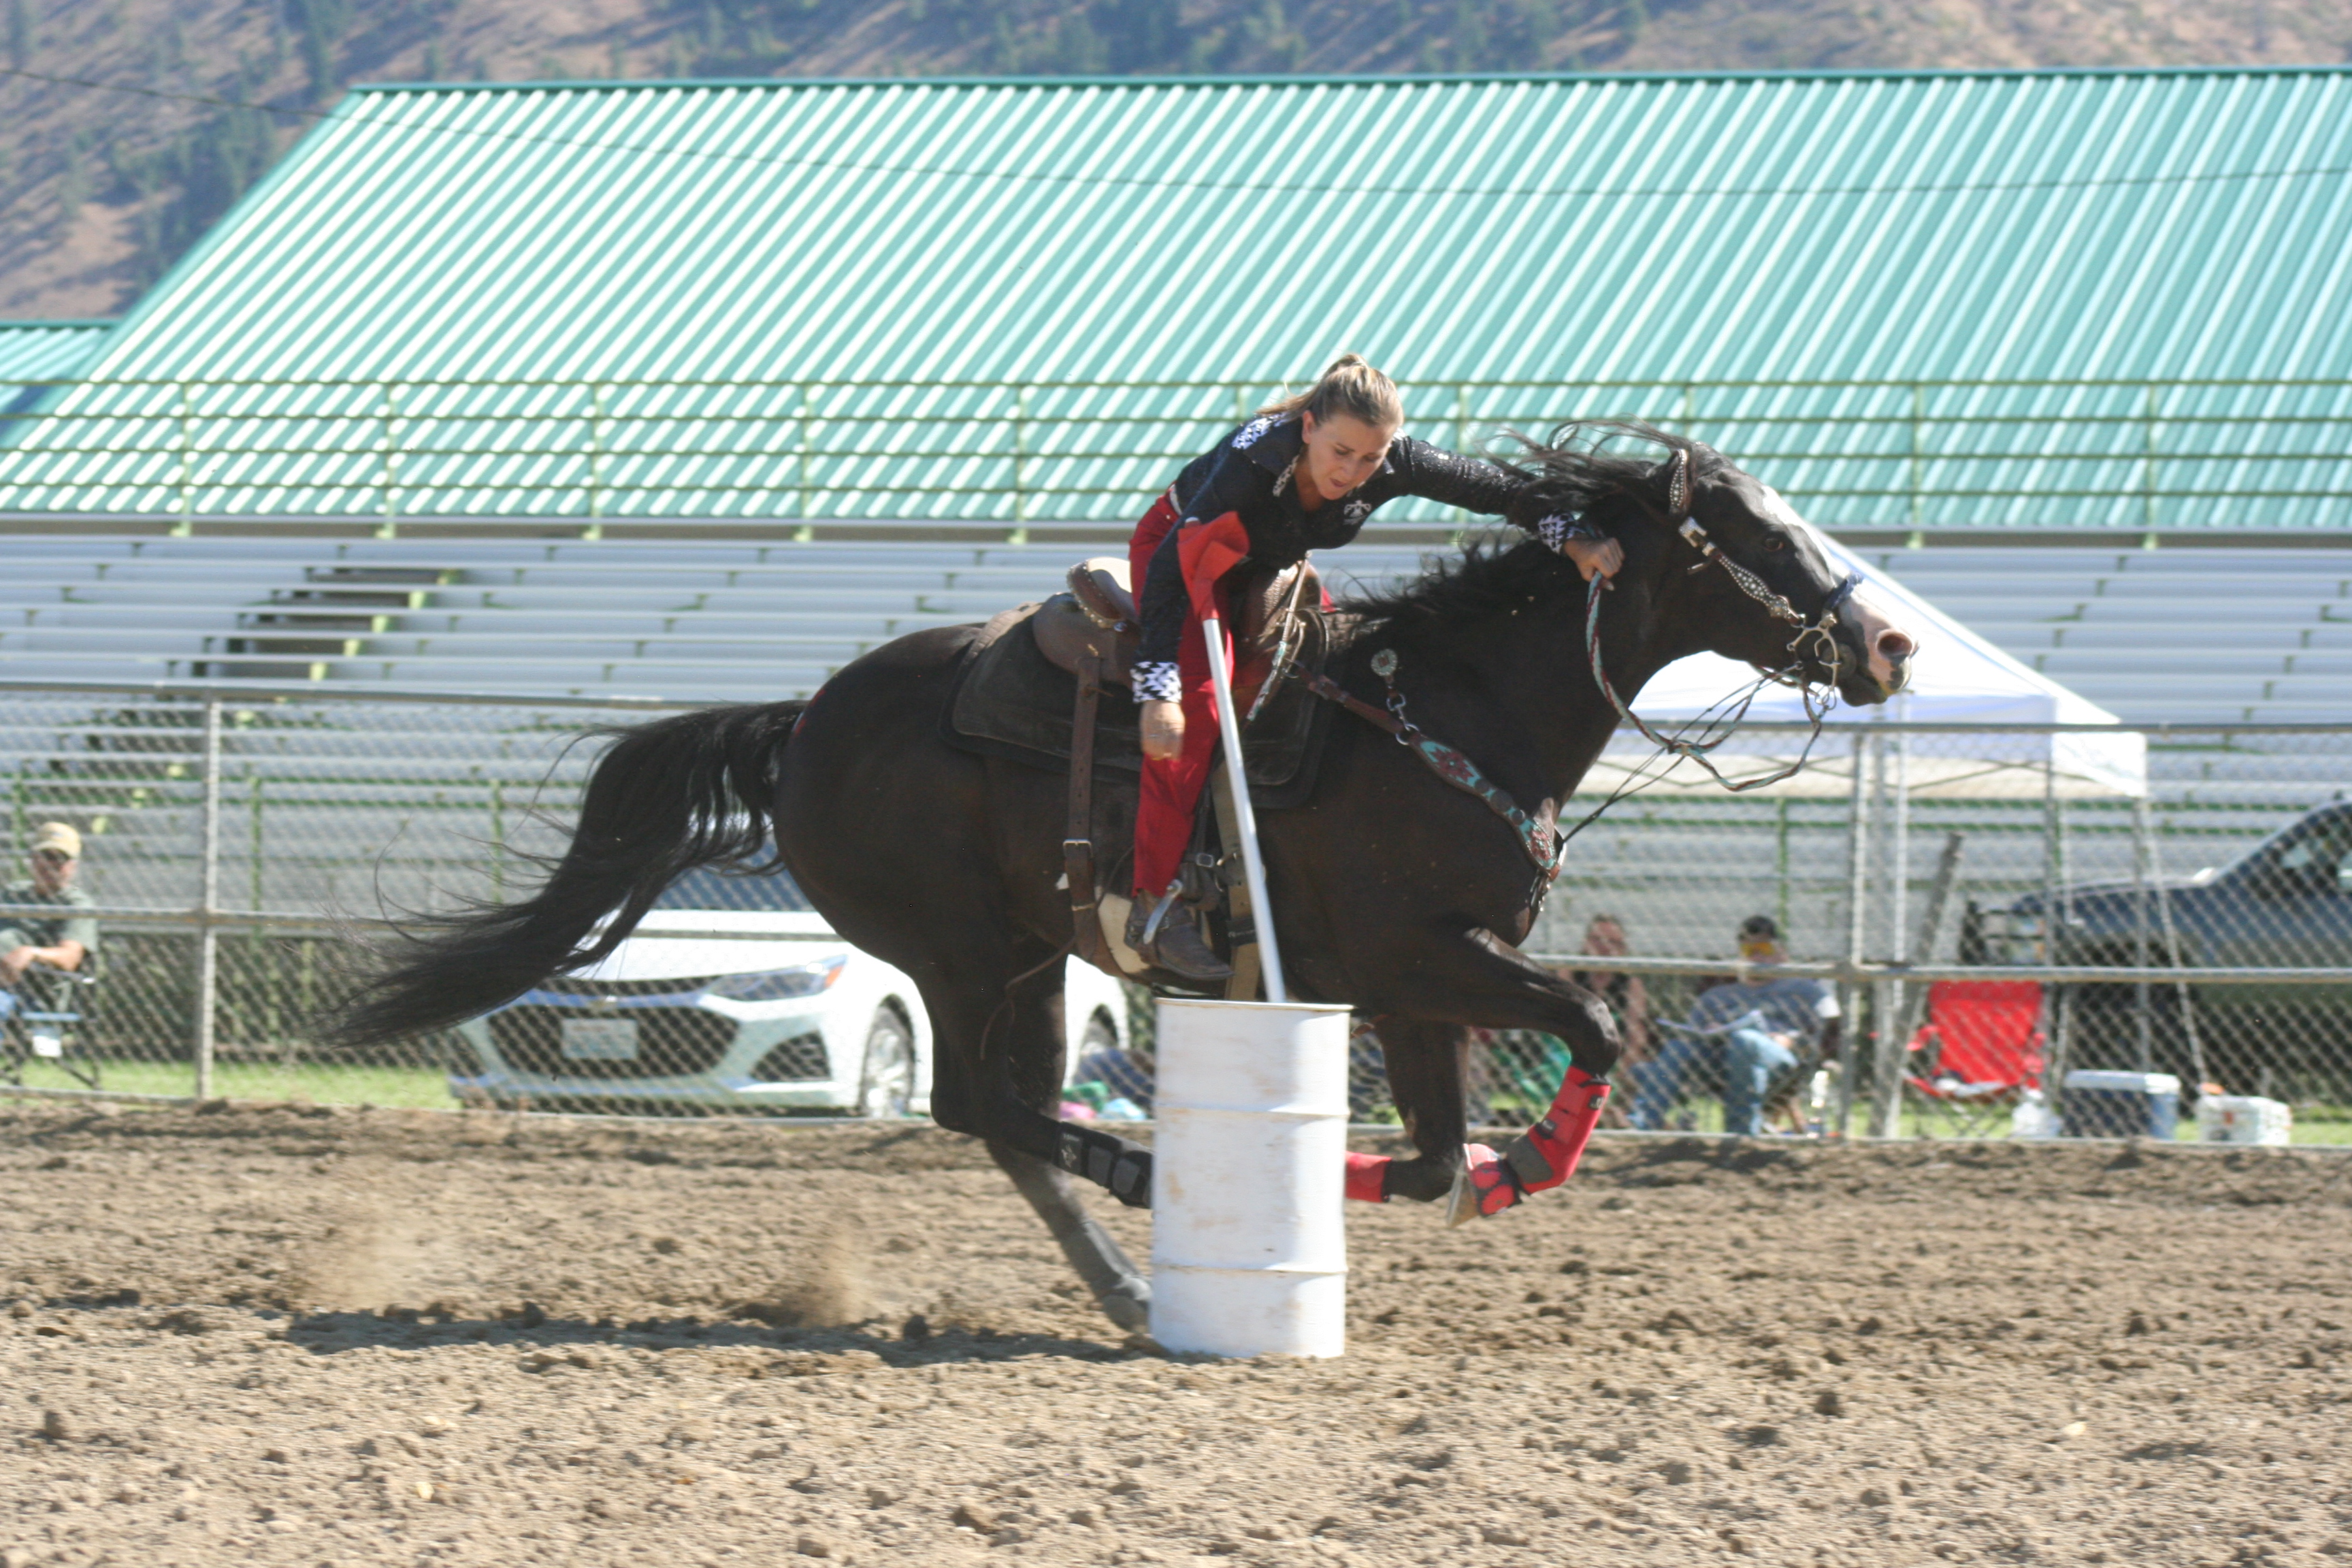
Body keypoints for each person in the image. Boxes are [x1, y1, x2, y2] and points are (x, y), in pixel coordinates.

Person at [1123, 355, 1624, 977]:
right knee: (1197, 712)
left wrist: (1573, 537)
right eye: (1340, 452)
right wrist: (1157, 691)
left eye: (1369, 459)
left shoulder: (1394, 461)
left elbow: (1500, 488)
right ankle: (1154, 906)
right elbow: (1173, 567)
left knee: (1343, 682)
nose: (1353, 472)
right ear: (1307, 428)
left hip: (1270, 563)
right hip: (1186, 553)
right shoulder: (1253, 458)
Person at [1628, 914, 1840, 1137]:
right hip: (1718, 1061)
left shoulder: (1802, 988)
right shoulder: (1718, 996)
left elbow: (1828, 1028)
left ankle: (1741, 1135)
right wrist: (1710, 1029)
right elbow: (1692, 1035)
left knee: (1745, 1039)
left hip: (1777, 1057)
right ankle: (1642, 1126)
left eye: (1764, 949)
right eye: (1749, 951)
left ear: (1781, 953)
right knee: (1676, 1048)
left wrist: (1794, 1040)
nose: (1756, 957)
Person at [0, 823, 98, 1029]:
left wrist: (30, 953)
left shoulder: (76, 904)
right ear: (33, 859)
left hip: (35, 991)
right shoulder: (12, 895)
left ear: (73, 865)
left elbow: (70, 957)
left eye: (59, 859)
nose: (49, 865)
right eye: (45, 856)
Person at [1567, 914, 1649, 1128]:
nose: (1604, 948)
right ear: (1586, 944)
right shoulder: (1570, 975)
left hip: (1615, 1057)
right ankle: (1603, 1114)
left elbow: (1636, 1034)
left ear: (1622, 949)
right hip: (1571, 1052)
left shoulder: (1630, 985)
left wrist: (1623, 1065)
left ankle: (1604, 1113)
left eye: (1612, 942)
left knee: (1634, 1071)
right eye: (1597, 940)